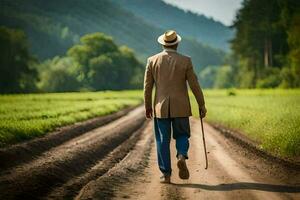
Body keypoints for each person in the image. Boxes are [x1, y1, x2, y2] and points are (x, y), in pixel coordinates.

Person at [143, 30, 207, 184]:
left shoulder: (152, 60)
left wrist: (147, 106)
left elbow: (147, 87)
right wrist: (201, 104)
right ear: (177, 43)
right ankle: (181, 155)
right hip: (181, 107)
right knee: (183, 134)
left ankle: (166, 174)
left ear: (163, 44)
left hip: (161, 108)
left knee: (162, 140)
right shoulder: (186, 60)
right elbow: (194, 85)